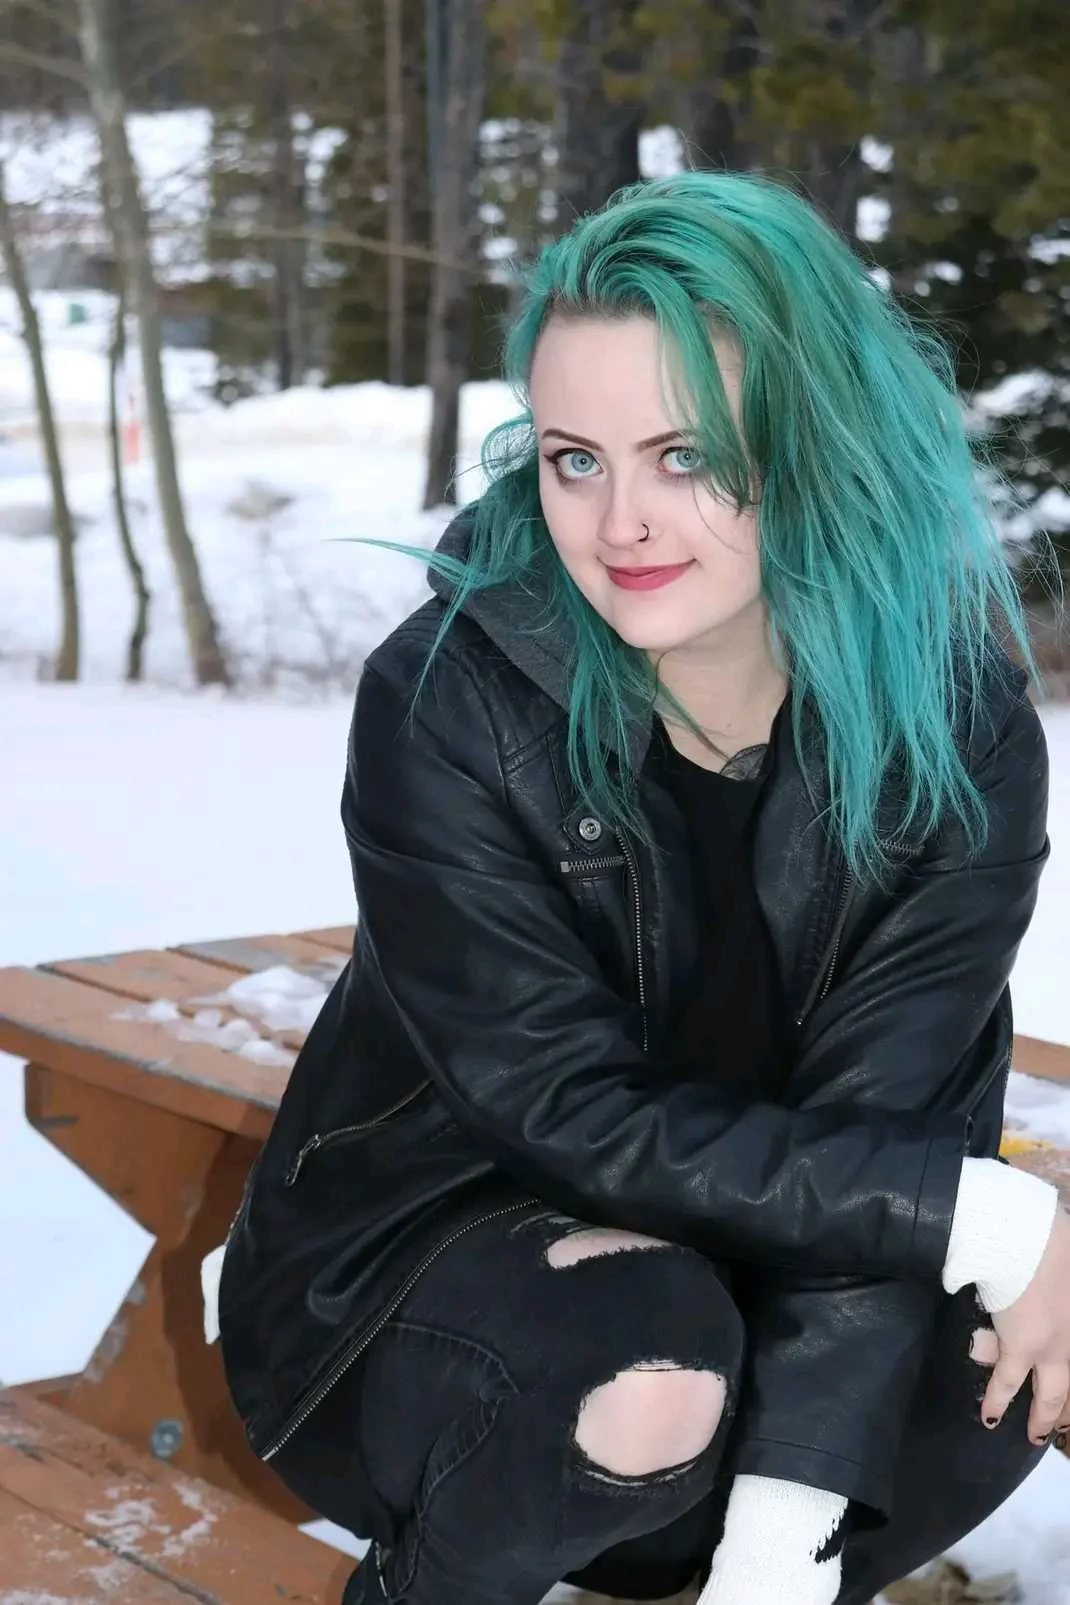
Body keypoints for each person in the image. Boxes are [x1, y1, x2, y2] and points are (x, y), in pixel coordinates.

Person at [214, 171, 1070, 1605]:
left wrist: (779, 1551)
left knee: (1021, 1337)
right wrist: (982, 1215)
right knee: (653, 1341)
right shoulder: (450, 699)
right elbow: (563, 1108)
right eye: (573, 459)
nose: (621, 523)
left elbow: (883, 1117)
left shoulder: (953, 718)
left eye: (684, 454)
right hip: (428, 1306)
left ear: (814, 441)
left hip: (760, 1318)